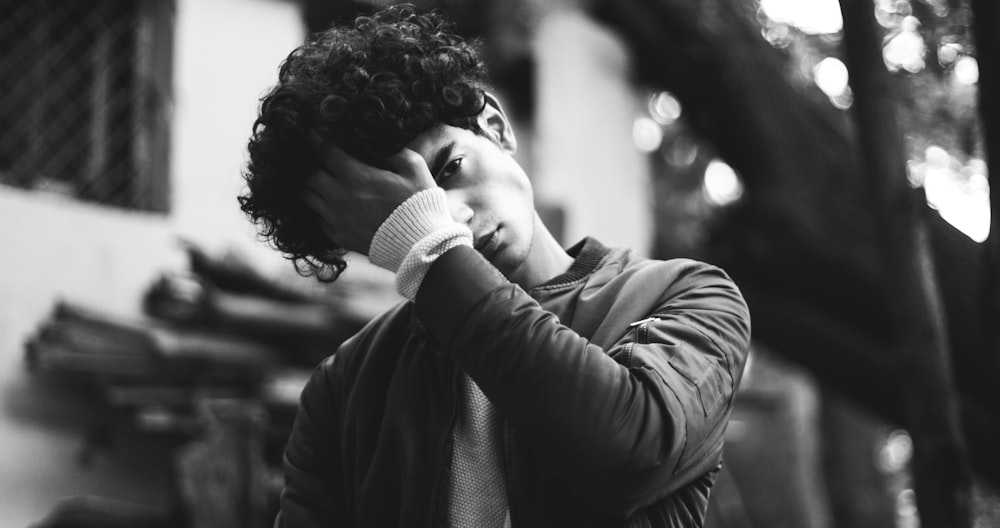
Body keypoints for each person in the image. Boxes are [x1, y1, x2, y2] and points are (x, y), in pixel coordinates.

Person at [239, 4, 750, 527]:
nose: (448, 217)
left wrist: (433, 251)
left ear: (496, 128)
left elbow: (630, 454)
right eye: (398, 219)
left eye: (450, 170)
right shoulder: (346, 386)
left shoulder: (686, 295)